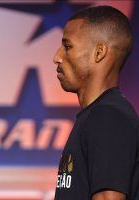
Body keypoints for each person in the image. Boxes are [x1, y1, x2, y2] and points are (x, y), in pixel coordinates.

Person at [53, 6, 138, 200]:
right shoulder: (96, 116)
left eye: (67, 46)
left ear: (99, 52)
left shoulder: (108, 118)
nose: (57, 57)